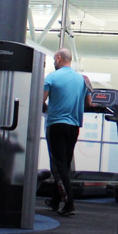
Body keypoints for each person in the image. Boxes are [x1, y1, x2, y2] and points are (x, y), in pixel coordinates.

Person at [43, 48, 92, 217]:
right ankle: (55, 200)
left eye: (54, 60)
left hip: (56, 124)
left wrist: (47, 109)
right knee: (65, 163)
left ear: (58, 58)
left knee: (58, 166)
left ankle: (69, 203)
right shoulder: (82, 79)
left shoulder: (51, 77)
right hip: (74, 126)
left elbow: (40, 100)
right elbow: (89, 103)